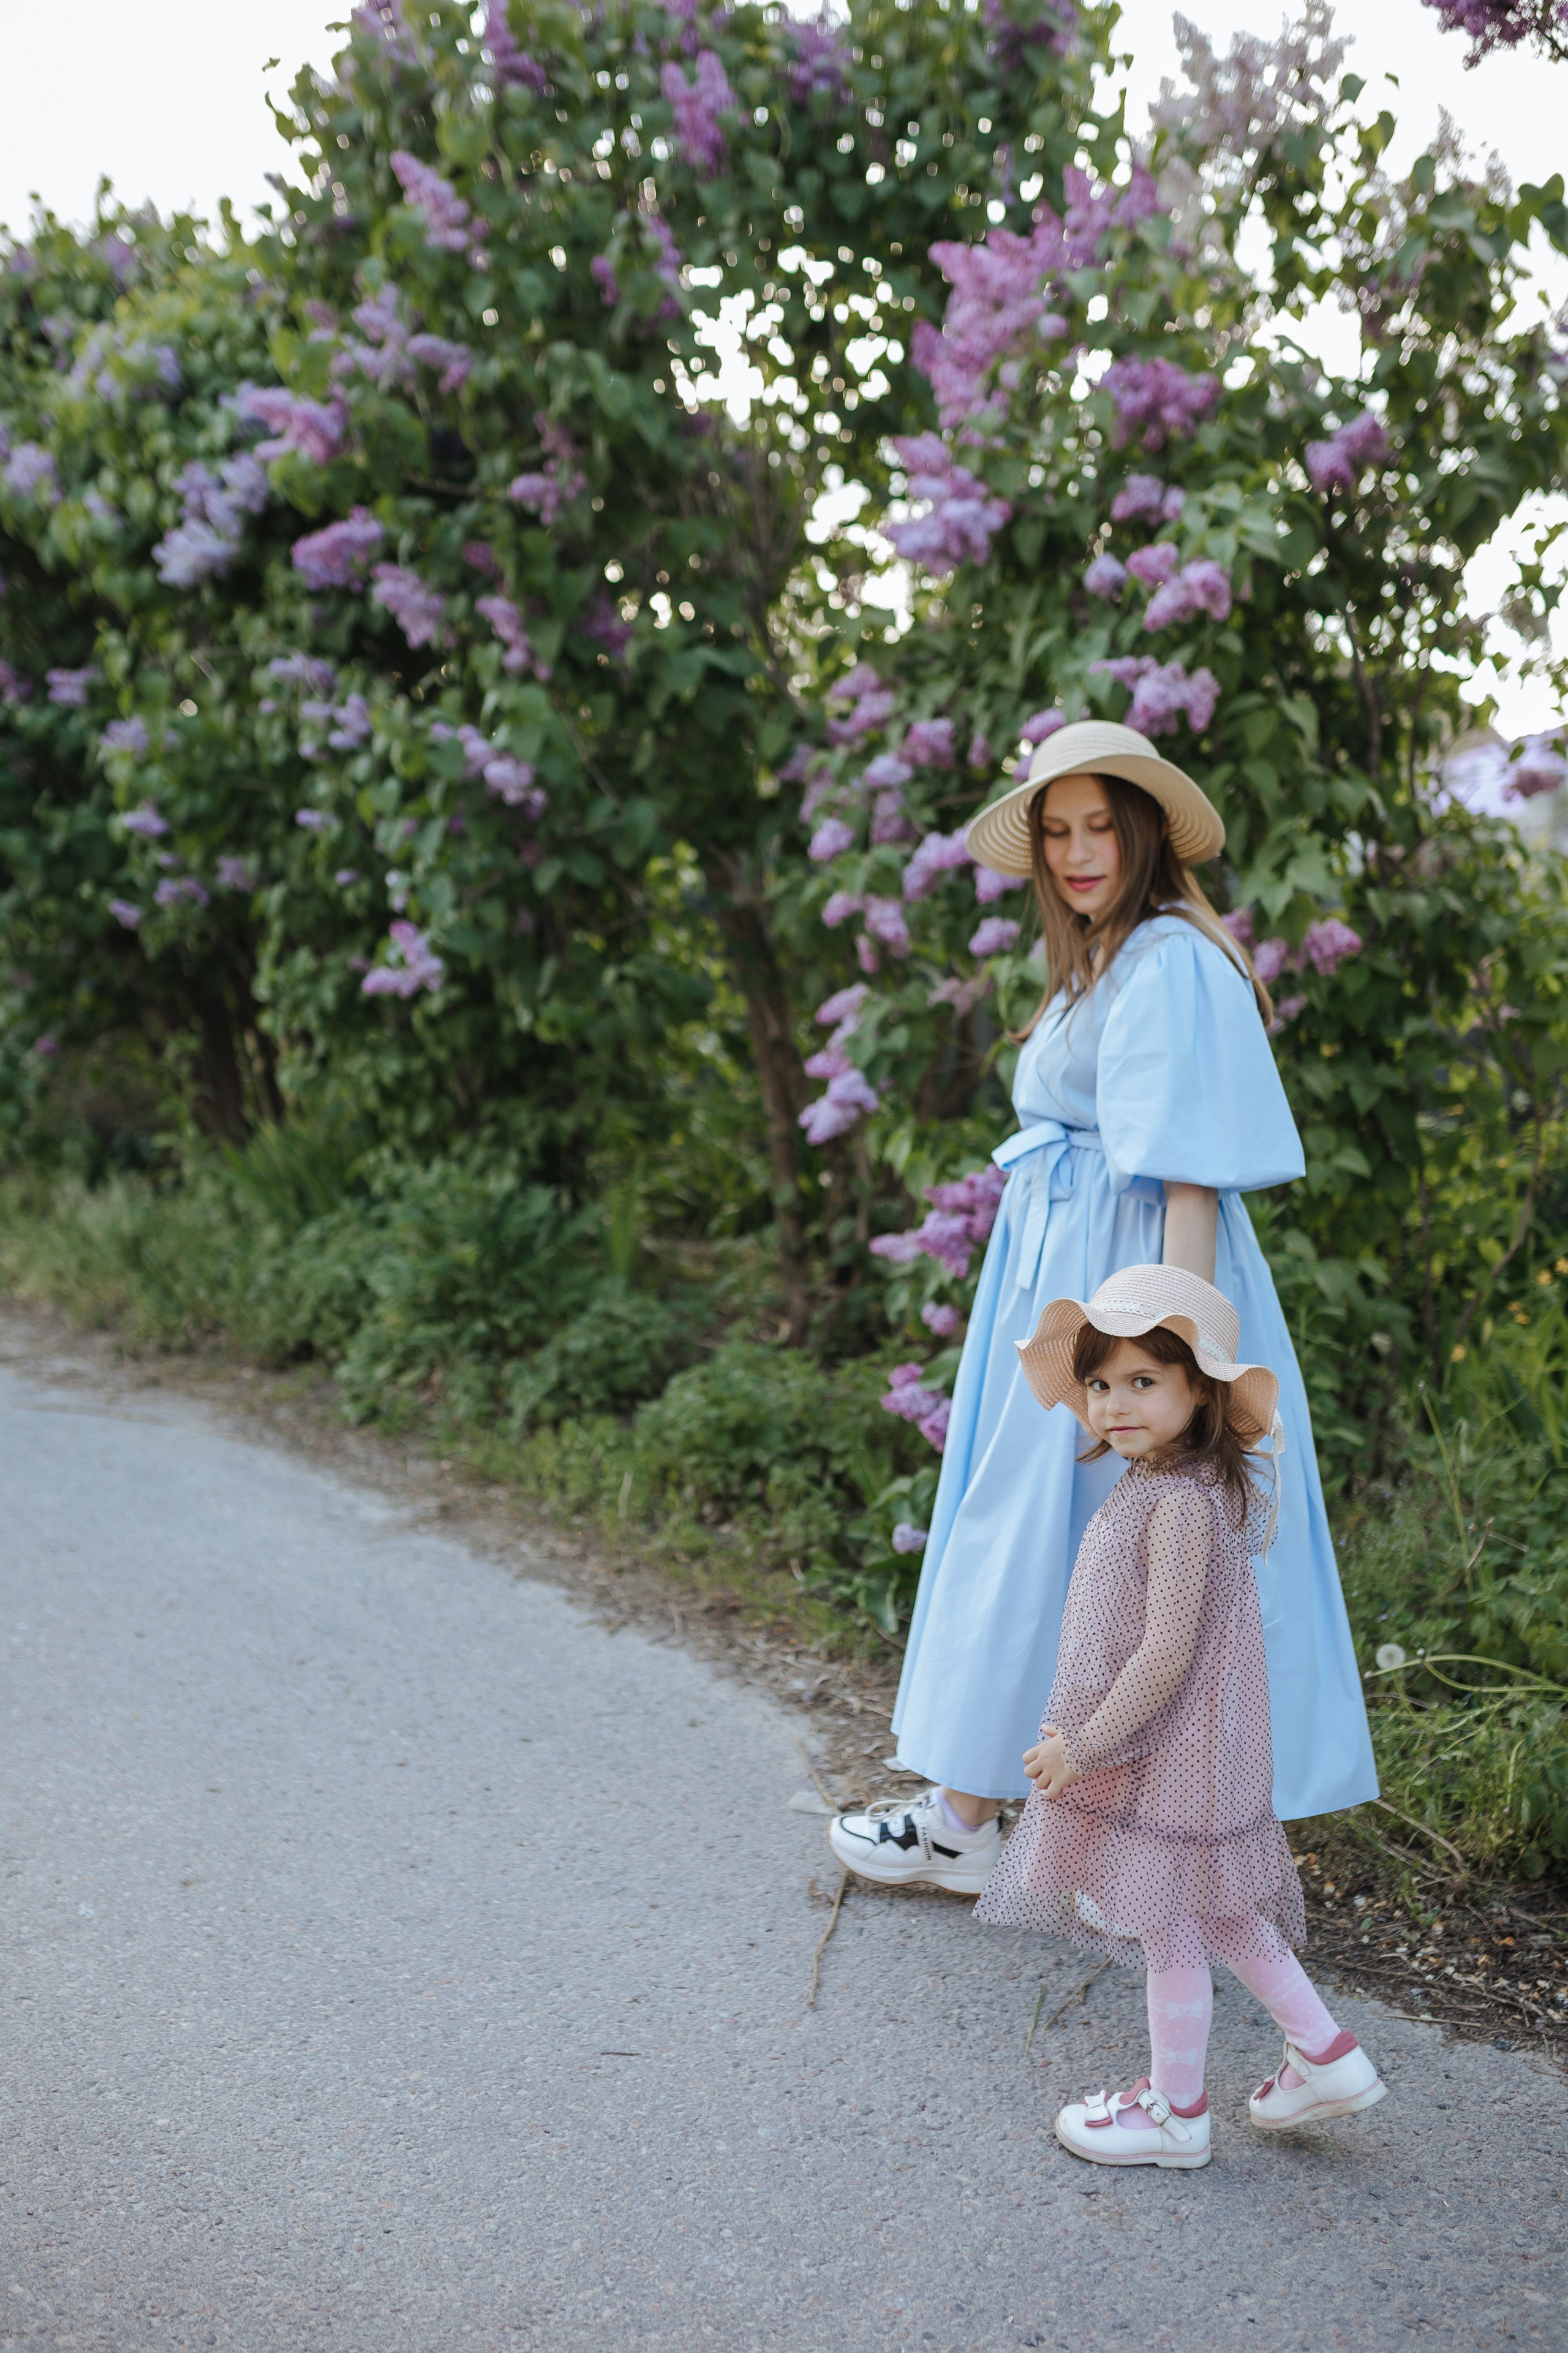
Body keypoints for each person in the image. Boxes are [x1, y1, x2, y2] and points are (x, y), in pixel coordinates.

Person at [827, 718, 1375, 1897]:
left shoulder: (1172, 958)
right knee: (1043, 1537)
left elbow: (1189, 1179)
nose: (1077, 854)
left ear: (1143, 836)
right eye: (1058, 832)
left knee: (1120, 1549)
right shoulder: (1101, 959)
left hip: (1128, 1289)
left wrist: (1168, 1360)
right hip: (1064, 1274)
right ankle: (986, 1815)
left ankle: (1094, 1839)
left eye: (1099, 830)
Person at [973, 1266, 1386, 2169]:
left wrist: (1086, 1745)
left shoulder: (1180, 1503)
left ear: (1201, 1390)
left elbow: (1165, 1653)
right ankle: (1326, 2055)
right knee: (1221, 1909)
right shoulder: (1168, 1479)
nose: (1113, 1403)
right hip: (1181, 1747)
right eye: (1099, 1384)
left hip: (1168, 1750)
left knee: (1171, 1922)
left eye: (1142, 1380)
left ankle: (1176, 2113)